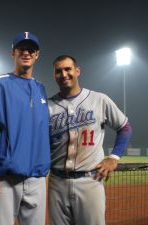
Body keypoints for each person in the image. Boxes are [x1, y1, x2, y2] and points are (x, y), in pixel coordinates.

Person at [0, 32, 50, 225]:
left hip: (37, 179)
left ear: (37, 55)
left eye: (31, 50)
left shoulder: (41, 89)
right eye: (21, 49)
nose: (26, 53)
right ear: (12, 53)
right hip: (4, 179)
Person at [48, 55, 132, 225]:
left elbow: (124, 127)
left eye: (68, 69)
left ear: (77, 71)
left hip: (90, 180)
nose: (63, 74)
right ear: (54, 76)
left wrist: (114, 157)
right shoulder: (48, 106)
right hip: (57, 182)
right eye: (58, 71)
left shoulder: (99, 99)